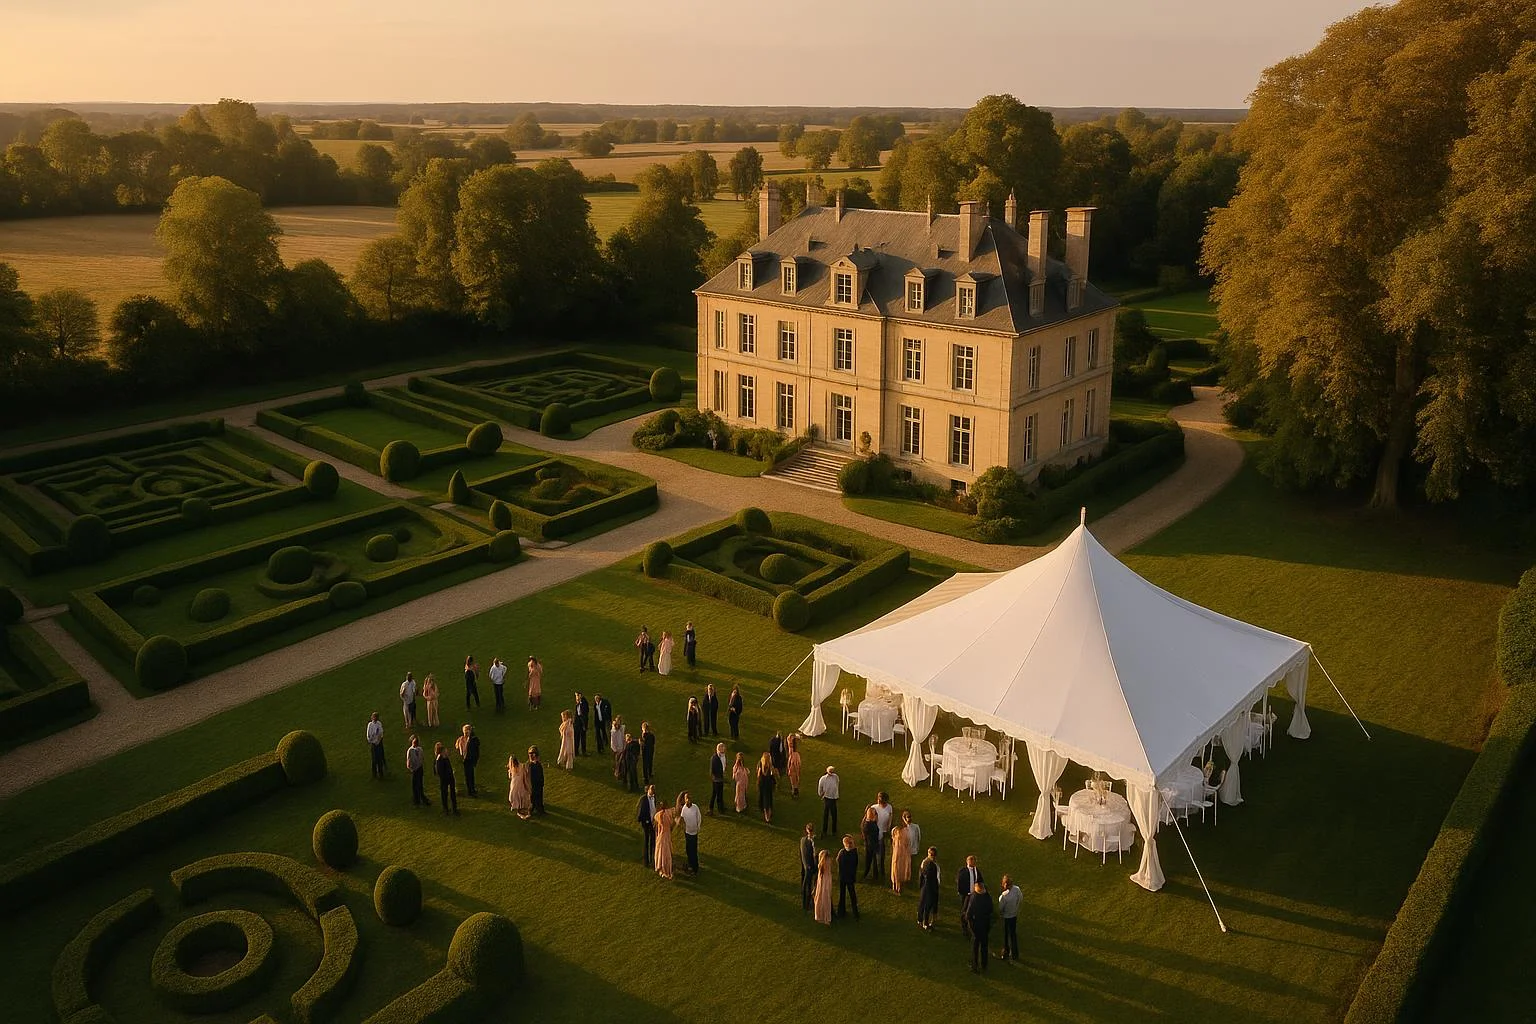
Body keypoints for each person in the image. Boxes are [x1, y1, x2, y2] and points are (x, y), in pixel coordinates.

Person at [966, 881, 993, 973]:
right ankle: (984, 965)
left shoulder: (974, 898)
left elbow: (968, 915)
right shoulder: (987, 897)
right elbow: (991, 910)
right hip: (985, 925)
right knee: (984, 946)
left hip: (976, 926)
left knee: (975, 947)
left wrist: (971, 926)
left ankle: (975, 966)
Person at [998, 874, 1022, 962]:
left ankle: (1005, 953)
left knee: (1005, 935)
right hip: (1014, 915)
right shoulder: (1017, 889)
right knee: (1013, 934)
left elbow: (1001, 908)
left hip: (1006, 916)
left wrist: (1001, 914)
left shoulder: (1004, 896)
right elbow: (1020, 899)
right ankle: (1015, 954)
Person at [957, 855, 983, 936]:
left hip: (975, 895)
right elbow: (959, 883)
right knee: (964, 911)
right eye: (972, 862)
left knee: (974, 910)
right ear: (968, 862)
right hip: (966, 895)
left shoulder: (976, 870)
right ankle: (965, 928)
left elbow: (980, 880)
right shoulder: (963, 871)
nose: (974, 864)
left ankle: (973, 926)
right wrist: (963, 893)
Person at [836, 834, 860, 919]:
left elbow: (838, 862)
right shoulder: (854, 853)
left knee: (842, 895)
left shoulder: (842, 854)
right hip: (851, 877)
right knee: (852, 895)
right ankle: (855, 913)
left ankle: (841, 912)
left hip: (843, 877)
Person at [890, 809, 914, 893]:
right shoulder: (905, 831)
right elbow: (908, 842)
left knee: (896, 867)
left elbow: (893, 840)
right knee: (901, 867)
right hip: (903, 851)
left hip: (897, 851)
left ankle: (895, 884)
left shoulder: (895, 831)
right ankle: (899, 885)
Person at [916, 847, 941, 931]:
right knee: (927, 905)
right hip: (929, 887)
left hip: (926, 887)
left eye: (934, 855)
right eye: (931, 854)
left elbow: (921, 876)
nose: (933, 856)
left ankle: (921, 920)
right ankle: (925, 923)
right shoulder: (930, 864)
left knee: (924, 904)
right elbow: (928, 877)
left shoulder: (926, 862)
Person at [654, 796, 678, 880]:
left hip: (661, 836)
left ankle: (661, 868)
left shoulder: (658, 815)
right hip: (666, 835)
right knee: (666, 853)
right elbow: (672, 822)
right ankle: (666, 870)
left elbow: (657, 826)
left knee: (661, 852)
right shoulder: (668, 813)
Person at [870, 792, 893, 877]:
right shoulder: (873, 808)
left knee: (882, 853)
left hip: (883, 832)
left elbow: (890, 817)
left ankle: (882, 870)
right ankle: (875, 872)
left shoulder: (889, 807)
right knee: (874, 853)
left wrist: (888, 827)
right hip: (875, 833)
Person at [678, 791, 702, 874]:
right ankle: (690, 865)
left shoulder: (695, 808)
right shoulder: (684, 808)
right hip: (687, 832)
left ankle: (695, 868)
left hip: (694, 833)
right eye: (686, 798)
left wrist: (697, 828)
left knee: (693, 851)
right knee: (688, 849)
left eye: (689, 798)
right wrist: (682, 826)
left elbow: (699, 818)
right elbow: (682, 819)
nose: (688, 800)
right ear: (684, 800)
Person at [636, 784, 658, 867]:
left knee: (653, 840)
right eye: (652, 789)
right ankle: (646, 861)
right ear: (647, 790)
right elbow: (641, 812)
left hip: (653, 822)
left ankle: (653, 859)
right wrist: (647, 820)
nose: (653, 791)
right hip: (646, 823)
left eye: (654, 789)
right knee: (646, 841)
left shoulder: (654, 798)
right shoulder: (644, 799)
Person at [434, 741, 458, 815]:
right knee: (444, 794)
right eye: (445, 751)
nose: (447, 752)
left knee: (451, 794)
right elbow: (440, 771)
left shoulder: (445, 758)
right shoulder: (440, 759)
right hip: (445, 779)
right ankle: (446, 809)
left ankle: (453, 809)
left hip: (449, 778)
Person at [456, 724, 480, 798]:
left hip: (470, 759)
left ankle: (472, 789)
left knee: (471, 775)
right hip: (466, 760)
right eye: (465, 731)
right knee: (468, 776)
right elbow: (457, 746)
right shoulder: (461, 739)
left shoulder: (472, 739)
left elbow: (476, 746)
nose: (466, 733)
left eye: (467, 731)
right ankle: (470, 791)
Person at [798, 824, 818, 912]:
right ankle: (806, 904)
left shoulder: (802, 840)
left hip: (805, 865)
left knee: (807, 885)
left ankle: (807, 902)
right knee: (808, 886)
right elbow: (813, 856)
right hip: (810, 867)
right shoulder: (812, 843)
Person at [817, 765, 840, 837]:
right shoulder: (823, 779)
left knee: (834, 815)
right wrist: (821, 794)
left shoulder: (836, 777)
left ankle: (833, 831)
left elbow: (837, 784)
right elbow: (820, 788)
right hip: (827, 798)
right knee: (826, 815)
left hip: (833, 798)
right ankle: (825, 831)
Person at [406, 734, 428, 806]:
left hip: (419, 768)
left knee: (420, 784)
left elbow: (422, 758)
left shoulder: (420, 749)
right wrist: (411, 768)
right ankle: (416, 800)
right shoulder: (410, 750)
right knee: (415, 785)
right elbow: (409, 760)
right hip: (414, 770)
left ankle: (422, 797)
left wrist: (420, 764)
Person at [861, 806, 882, 880]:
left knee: (870, 860)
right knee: (872, 861)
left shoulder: (866, 823)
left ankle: (871, 875)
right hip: (872, 845)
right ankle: (868, 875)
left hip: (869, 844)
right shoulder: (871, 825)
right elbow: (874, 834)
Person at [813, 849, 834, 925]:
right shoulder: (827, 862)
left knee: (819, 897)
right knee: (826, 898)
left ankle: (819, 915)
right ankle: (826, 917)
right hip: (827, 881)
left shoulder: (820, 865)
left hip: (821, 881)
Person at [508, 755, 532, 819]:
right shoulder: (521, 766)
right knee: (520, 796)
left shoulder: (514, 769)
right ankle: (521, 810)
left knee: (518, 796)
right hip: (518, 784)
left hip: (516, 784)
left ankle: (521, 809)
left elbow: (510, 777)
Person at [757, 752, 777, 823]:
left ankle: (766, 815)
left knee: (764, 798)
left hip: (763, 784)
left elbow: (759, 774)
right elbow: (773, 775)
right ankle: (769, 814)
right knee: (769, 798)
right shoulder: (770, 765)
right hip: (769, 784)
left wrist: (758, 782)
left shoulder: (760, 763)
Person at [900, 810, 921, 878]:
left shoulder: (916, 827)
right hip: (906, 850)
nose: (909, 819)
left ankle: (913, 876)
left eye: (910, 817)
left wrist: (917, 847)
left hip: (914, 849)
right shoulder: (902, 829)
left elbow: (918, 838)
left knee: (913, 864)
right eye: (908, 817)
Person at [708, 742, 727, 815]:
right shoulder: (715, 758)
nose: (724, 749)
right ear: (718, 749)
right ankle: (719, 809)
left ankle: (714, 807)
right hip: (717, 779)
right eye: (722, 748)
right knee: (717, 794)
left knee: (719, 793)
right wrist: (716, 777)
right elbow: (712, 770)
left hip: (721, 778)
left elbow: (723, 765)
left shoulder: (723, 756)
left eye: (724, 747)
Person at [527, 746, 546, 815]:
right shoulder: (530, 765)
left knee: (539, 797)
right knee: (534, 798)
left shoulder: (537, 764)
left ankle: (539, 810)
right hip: (534, 784)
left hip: (538, 784)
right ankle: (532, 810)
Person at [366, 712, 385, 779]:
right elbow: (368, 736)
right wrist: (373, 739)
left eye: (376, 717)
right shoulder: (370, 725)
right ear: (372, 717)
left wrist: (379, 739)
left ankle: (381, 773)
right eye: (374, 717)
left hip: (379, 743)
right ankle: (374, 774)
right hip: (374, 744)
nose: (375, 718)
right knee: (374, 760)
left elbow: (381, 732)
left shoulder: (379, 723)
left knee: (380, 759)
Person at [640, 721, 657, 786]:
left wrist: (641, 743)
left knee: (645, 765)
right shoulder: (652, 735)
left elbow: (644, 745)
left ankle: (646, 778)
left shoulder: (644, 735)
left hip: (646, 752)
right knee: (650, 762)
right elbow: (653, 742)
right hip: (651, 750)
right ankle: (650, 773)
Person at [786, 733, 802, 797]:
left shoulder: (794, 755)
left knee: (794, 781)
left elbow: (795, 765)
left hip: (793, 769)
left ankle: (795, 792)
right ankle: (795, 790)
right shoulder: (794, 753)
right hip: (793, 766)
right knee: (794, 781)